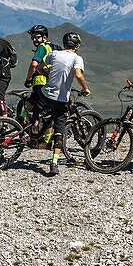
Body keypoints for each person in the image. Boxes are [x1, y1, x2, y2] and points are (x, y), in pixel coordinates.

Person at [37, 32, 90, 175]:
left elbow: (39, 67)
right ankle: (54, 163)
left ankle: (33, 129)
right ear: (77, 45)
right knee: (59, 129)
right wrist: (85, 88)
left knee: (40, 111)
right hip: (61, 99)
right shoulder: (77, 58)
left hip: (46, 94)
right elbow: (78, 75)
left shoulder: (54, 54)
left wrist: (49, 77)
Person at [21, 24, 56, 138]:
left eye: (37, 37)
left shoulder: (42, 47)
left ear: (44, 37)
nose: (34, 40)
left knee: (40, 110)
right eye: (33, 37)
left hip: (40, 81)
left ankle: (43, 138)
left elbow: (34, 65)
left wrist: (28, 79)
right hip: (50, 81)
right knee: (35, 106)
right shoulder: (51, 47)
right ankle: (39, 135)